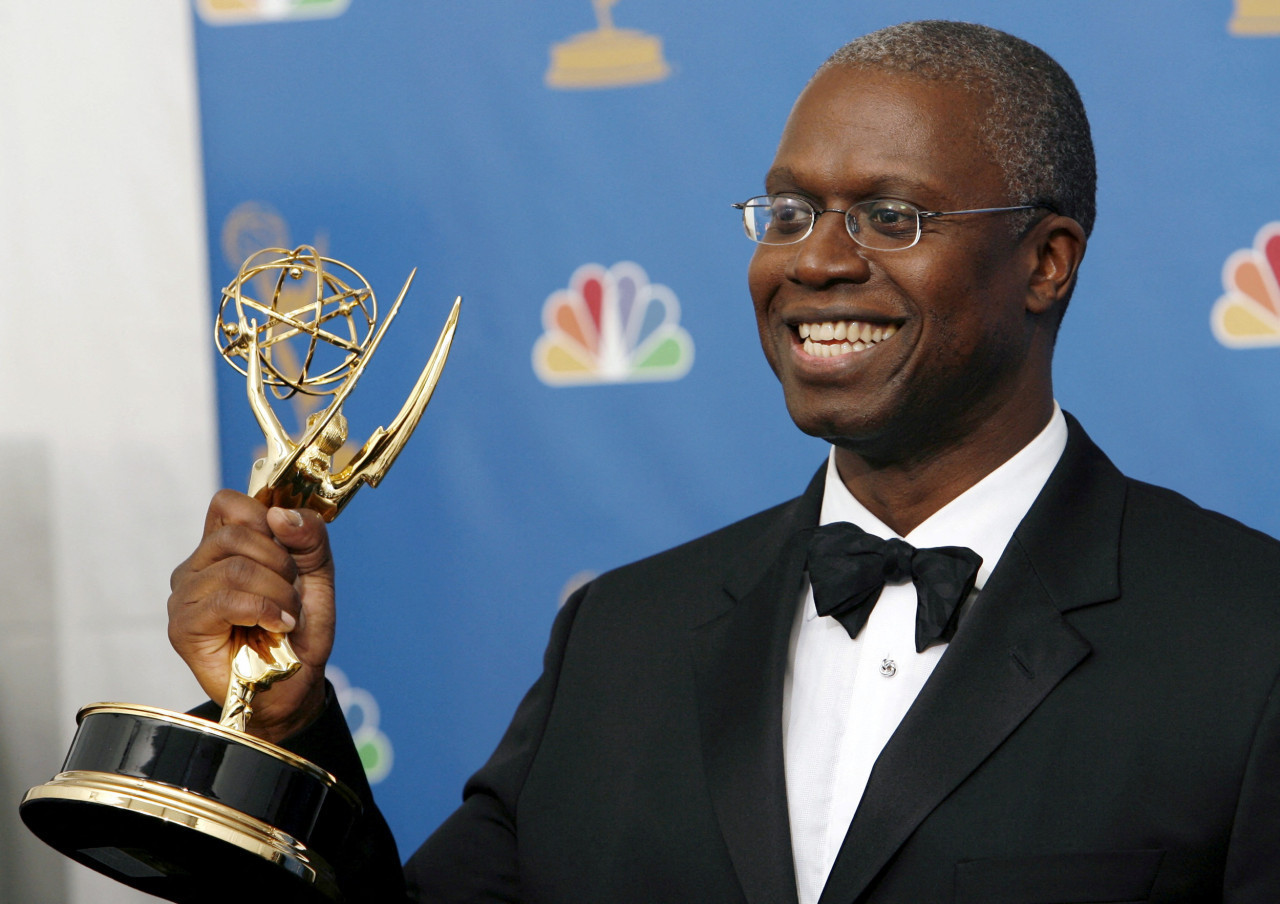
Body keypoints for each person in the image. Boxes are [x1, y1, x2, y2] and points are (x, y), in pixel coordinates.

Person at [169, 20, 1280, 904]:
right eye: (789, 210)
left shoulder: (1248, 641)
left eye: (889, 216)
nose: (816, 260)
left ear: (1044, 262)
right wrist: (282, 723)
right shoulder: (618, 637)